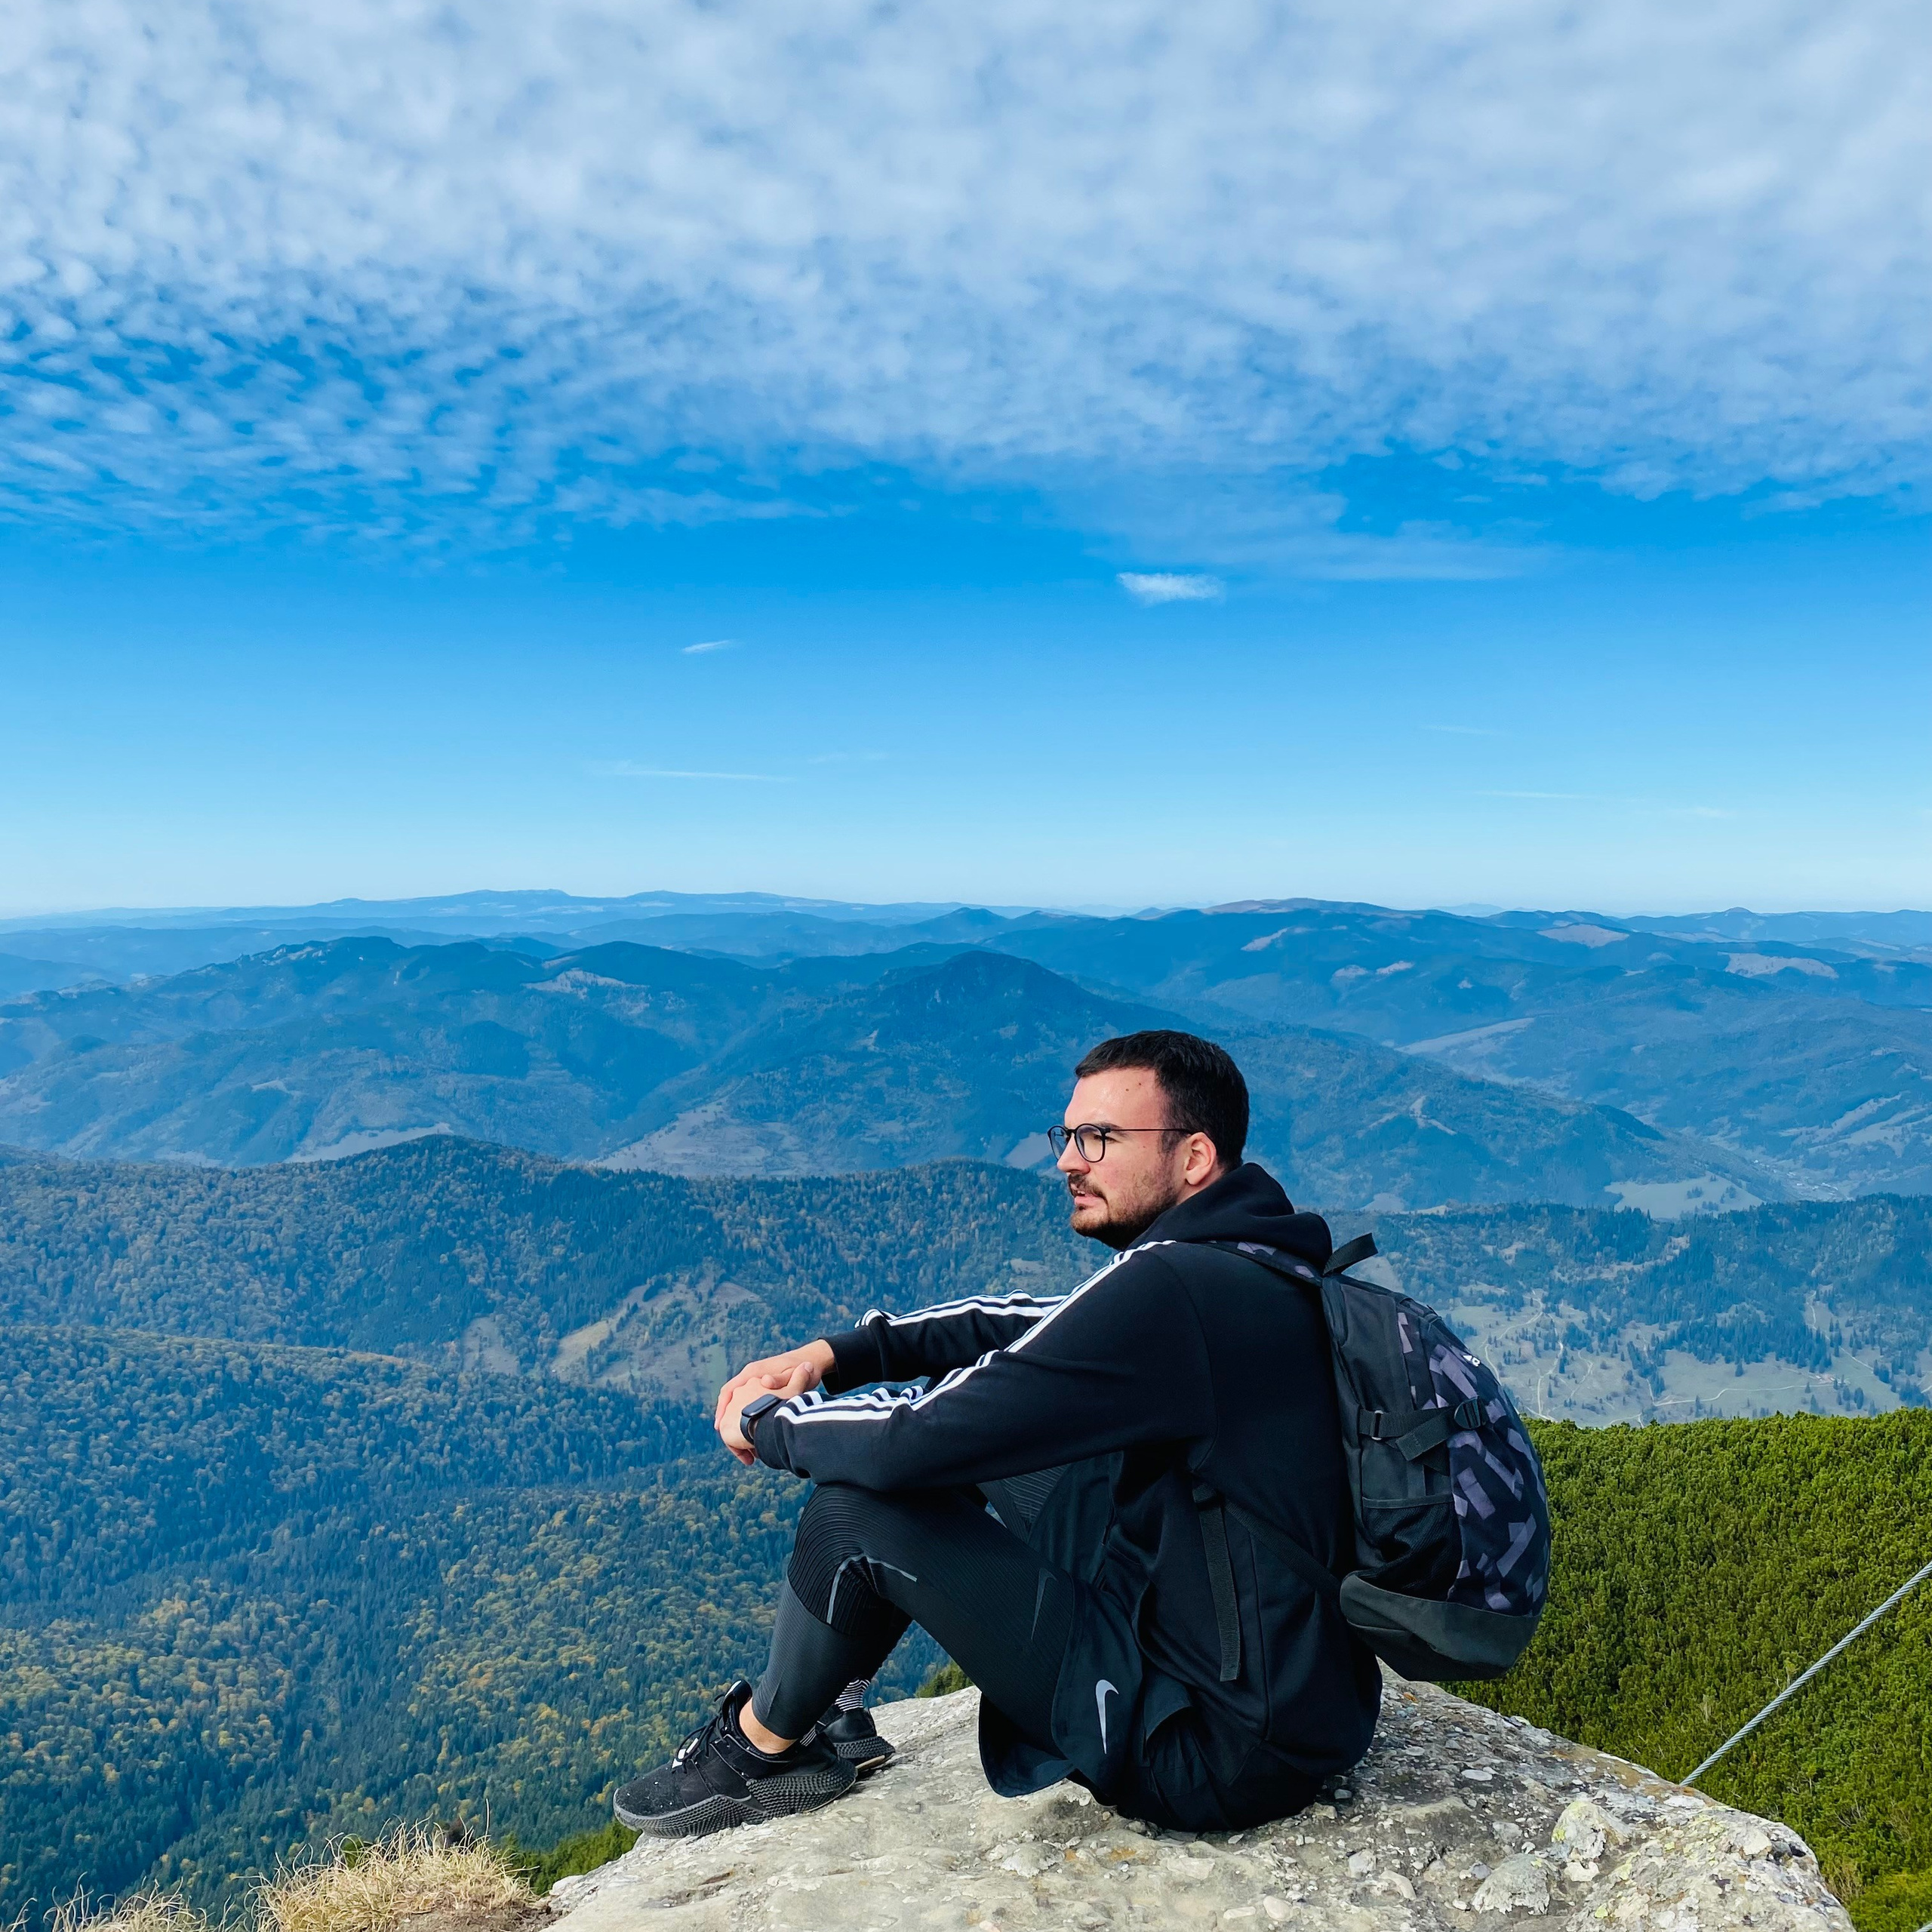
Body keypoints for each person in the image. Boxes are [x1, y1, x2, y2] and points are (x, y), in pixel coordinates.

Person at [611, 1029, 1380, 1840]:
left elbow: (916, 1436)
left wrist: (769, 1423)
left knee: (858, 1509)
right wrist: (838, 1354)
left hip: (1206, 1745)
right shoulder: (1254, 1257)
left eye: (1100, 1138)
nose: (1067, 1160)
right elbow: (1025, 1328)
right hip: (1291, 1699)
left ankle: (761, 1751)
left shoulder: (1176, 1287)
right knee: (980, 1418)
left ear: (1193, 1158)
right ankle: (831, 1703)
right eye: (1069, 1134)